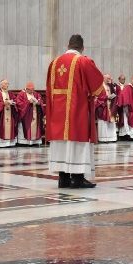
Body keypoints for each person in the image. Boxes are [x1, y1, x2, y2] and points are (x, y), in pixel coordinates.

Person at [46, 34, 103, 189]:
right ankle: (77, 178)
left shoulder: (54, 63)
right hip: (77, 111)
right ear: (82, 47)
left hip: (57, 113)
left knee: (62, 144)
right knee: (76, 142)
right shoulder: (83, 61)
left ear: (68, 45)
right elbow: (98, 87)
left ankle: (63, 178)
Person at [0, 79, 18, 148]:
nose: (7, 85)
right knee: (1, 128)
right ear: (1, 85)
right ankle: (0, 144)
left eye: (7, 84)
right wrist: (3, 103)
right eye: (5, 84)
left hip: (9, 113)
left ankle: (9, 143)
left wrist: (13, 103)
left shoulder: (10, 93)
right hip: (0, 115)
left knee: (10, 127)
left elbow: (15, 100)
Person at [95, 75, 118, 143]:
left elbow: (114, 93)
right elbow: (98, 96)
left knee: (110, 122)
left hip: (110, 105)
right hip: (103, 106)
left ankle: (111, 138)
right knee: (103, 122)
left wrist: (111, 96)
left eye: (109, 78)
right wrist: (106, 97)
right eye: (108, 78)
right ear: (103, 78)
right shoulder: (100, 86)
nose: (109, 79)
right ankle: (103, 138)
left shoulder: (109, 86)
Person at [118, 76, 133, 141]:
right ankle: (130, 135)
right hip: (129, 108)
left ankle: (132, 135)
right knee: (129, 121)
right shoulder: (128, 87)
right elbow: (125, 97)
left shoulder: (132, 88)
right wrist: (126, 106)